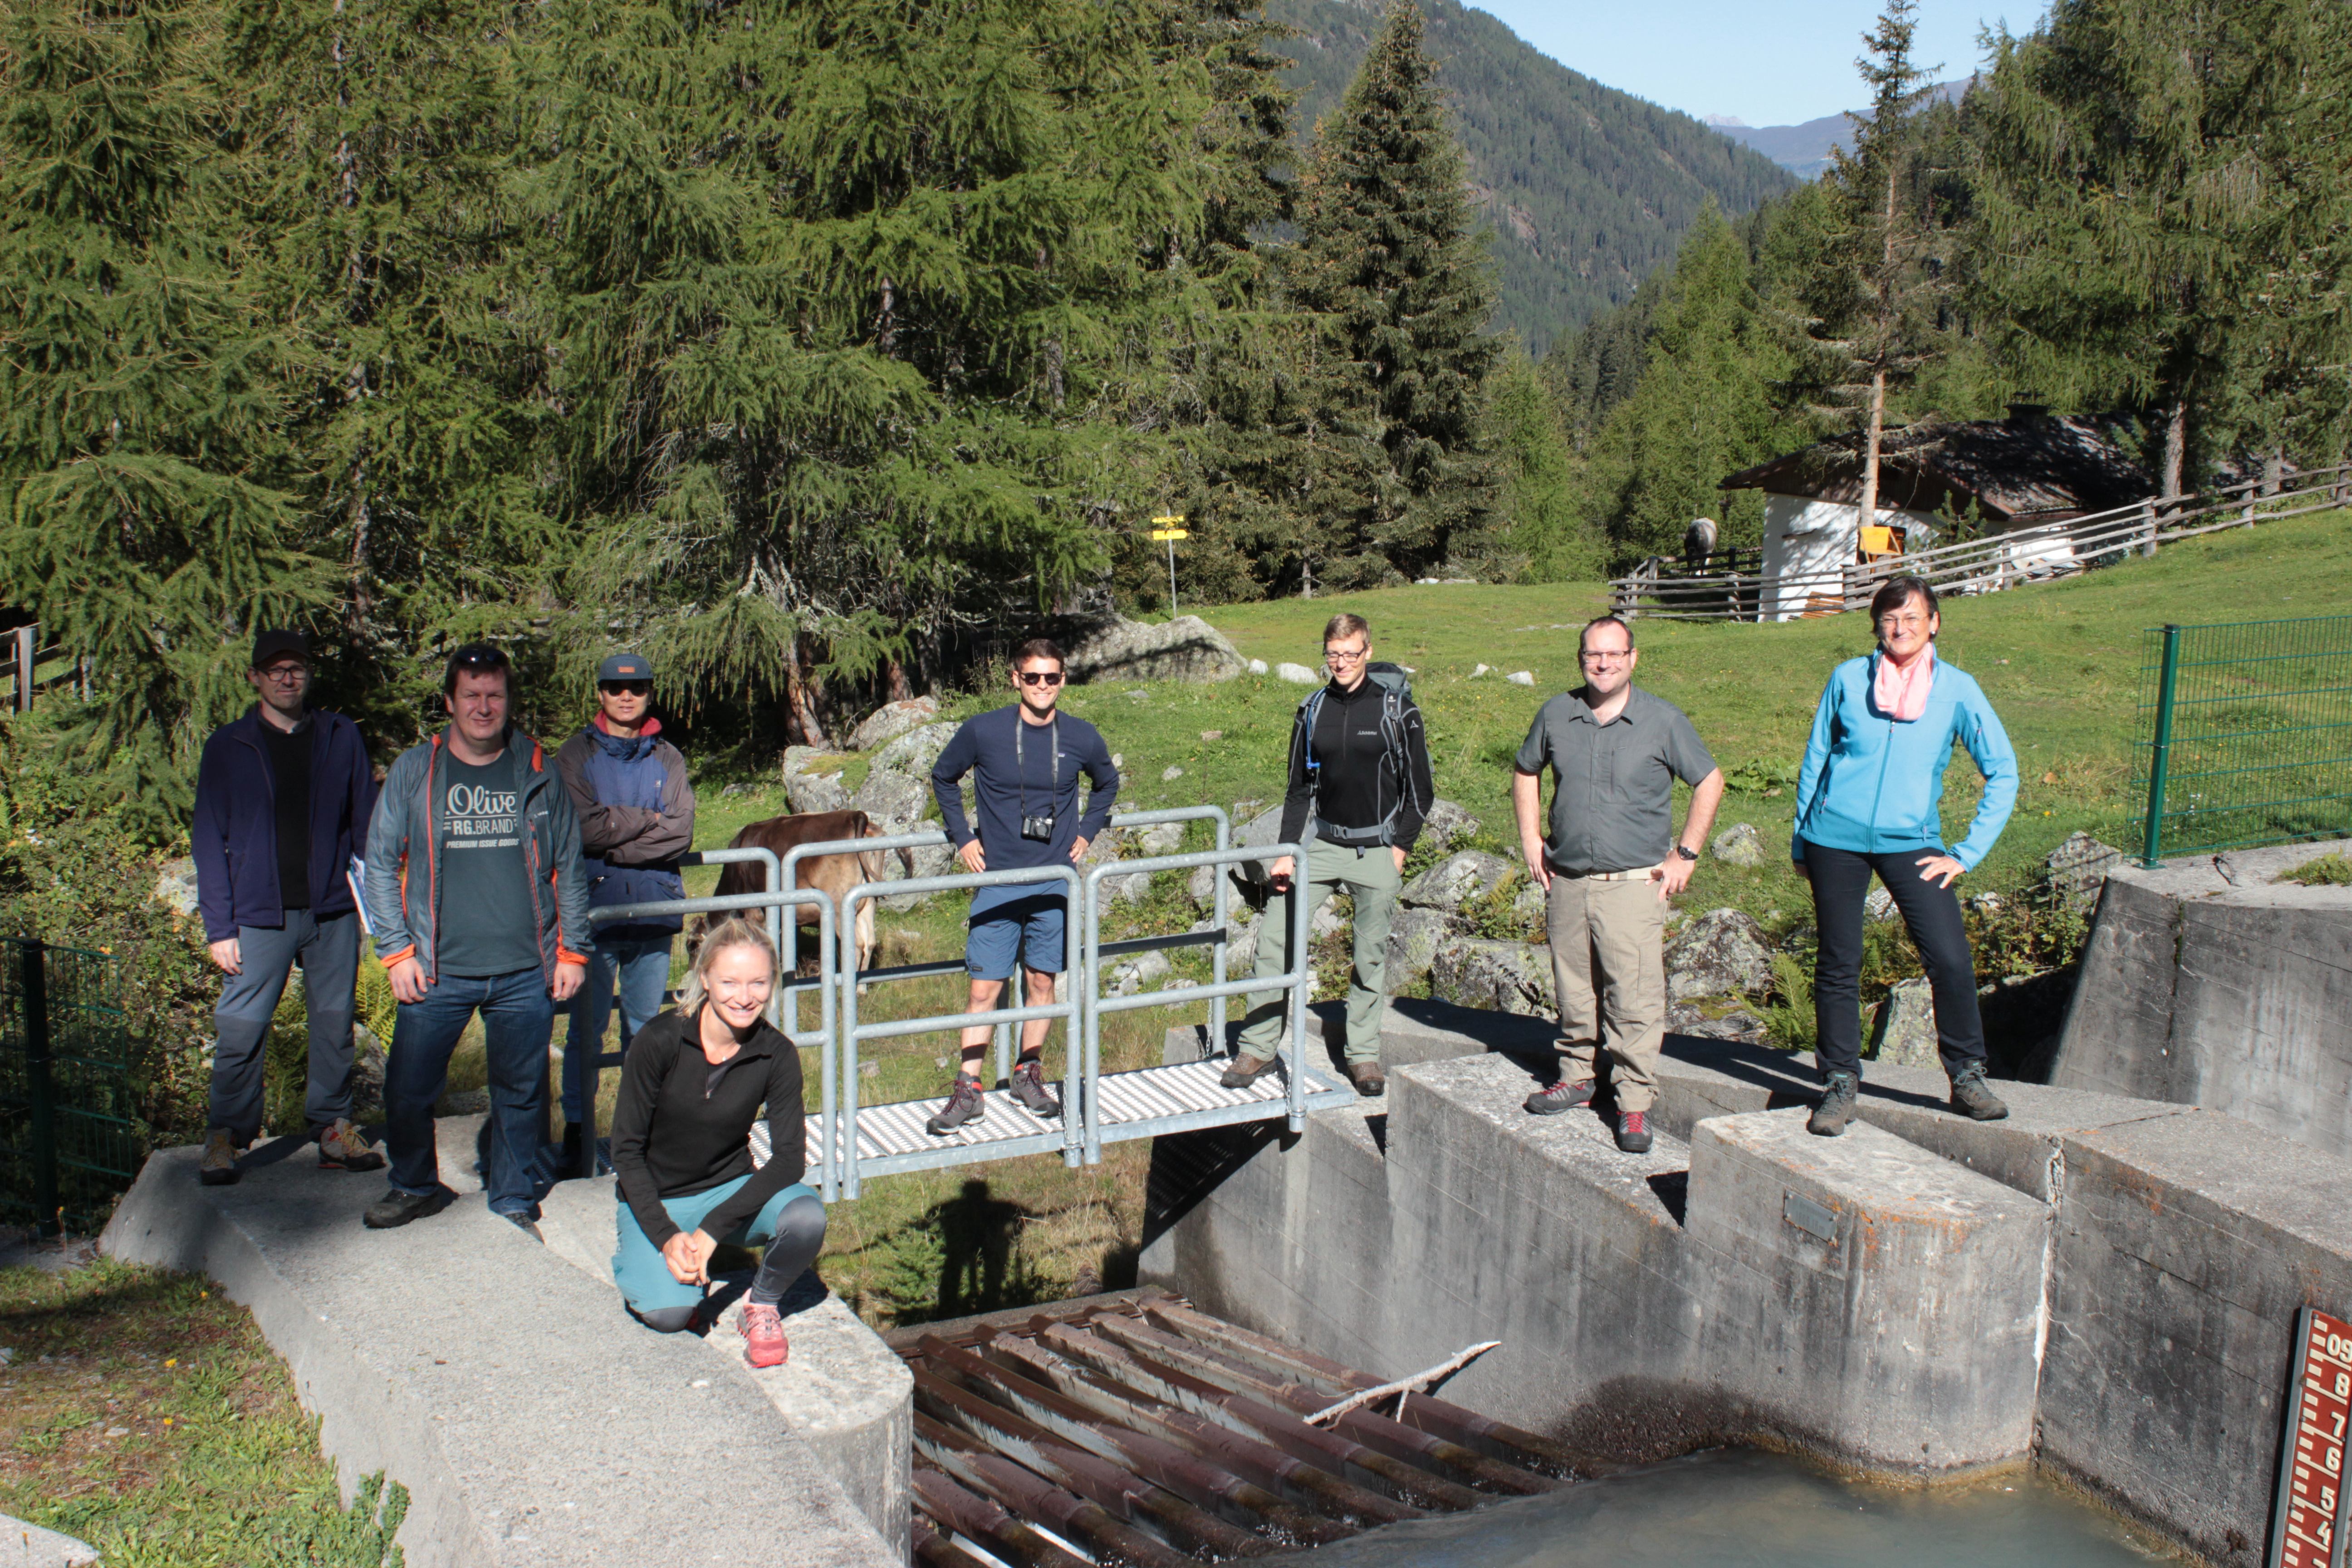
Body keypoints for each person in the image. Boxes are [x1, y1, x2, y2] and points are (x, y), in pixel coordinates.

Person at [361, 643, 592, 1232]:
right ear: (450, 701)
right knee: (409, 1090)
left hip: (525, 970)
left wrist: (571, 951)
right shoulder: (417, 771)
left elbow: (568, 864)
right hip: (437, 970)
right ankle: (414, 1185)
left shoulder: (537, 771)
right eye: (472, 695)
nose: (483, 707)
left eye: (494, 695)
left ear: (508, 701)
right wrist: (396, 951)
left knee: (520, 1093)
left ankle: (513, 1199)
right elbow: (381, 861)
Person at [1793, 574, 2018, 1137]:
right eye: (1890, 620)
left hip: (1914, 842)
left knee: (1948, 956)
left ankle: (1966, 1075)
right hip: (1834, 839)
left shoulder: (1959, 690)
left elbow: (2004, 772)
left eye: (1912, 618)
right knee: (1838, 963)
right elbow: (1816, 757)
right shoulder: (1848, 678)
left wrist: (1965, 854)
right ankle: (1840, 1082)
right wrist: (1802, 837)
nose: (1900, 629)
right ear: (1877, 625)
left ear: (1934, 622)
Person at [1513, 615, 1725, 1153]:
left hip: (1633, 884)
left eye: (1613, 654)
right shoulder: (1558, 714)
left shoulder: (1662, 721)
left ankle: (1633, 1105)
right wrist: (1531, 839)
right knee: (1574, 989)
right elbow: (1525, 771)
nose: (1602, 663)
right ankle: (1577, 1078)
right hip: (1569, 881)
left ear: (1633, 658)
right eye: (1592, 655)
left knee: (1634, 997)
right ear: (1581, 659)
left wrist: (1687, 853)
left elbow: (1709, 780)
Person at [190, 629, 384, 1185]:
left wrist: (381, 906)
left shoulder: (340, 735)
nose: (286, 678)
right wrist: (219, 926)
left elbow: (364, 824)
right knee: (241, 1027)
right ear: (255, 677)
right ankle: (225, 1137)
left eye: (296, 667)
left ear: (308, 675)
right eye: (274, 669)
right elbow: (209, 837)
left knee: (334, 1026)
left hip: (331, 912)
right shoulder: (229, 746)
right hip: (257, 917)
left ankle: (332, 1128)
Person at [1226, 612, 1434, 1098]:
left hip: (1377, 849)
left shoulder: (1397, 711)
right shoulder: (1312, 709)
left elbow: (1420, 792)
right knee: (1274, 940)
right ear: (1326, 654)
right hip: (1320, 845)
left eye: (1351, 653)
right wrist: (1286, 852)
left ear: (1367, 651)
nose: (1342, 662)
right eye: (1333, 654)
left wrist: (1399, 850)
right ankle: (1256, 1046)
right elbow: (1298, 791)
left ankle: (1363, 1057)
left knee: (1370, 956)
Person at [924, 638, 1120, 1135]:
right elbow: (943, 777)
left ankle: (1028, 1072)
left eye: (1052, 677)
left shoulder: (1080, 735)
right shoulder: (984, 730)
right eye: (1032, 677)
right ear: (1015, 679)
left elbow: (1107, 784)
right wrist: (963, 838)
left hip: (1053, 880)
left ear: (1063, 680)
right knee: (985, 986)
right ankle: (968, 1089)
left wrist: (1086, 832)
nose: (1042, 687)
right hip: (999, 879)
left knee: (1041, 983)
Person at [609, 917, 825, 1367]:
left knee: (806, 1215)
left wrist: (710, 1231)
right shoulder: (659, 1041)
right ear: (704, 977)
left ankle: (762, 1304)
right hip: (658, 1197)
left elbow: (789, 1160)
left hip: (727, 1190)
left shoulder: (777, 1054)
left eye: (758, 983)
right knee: (671, 1315)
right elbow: (625, 1150)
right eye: (729, 981)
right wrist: (668, 1236)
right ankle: (645, 1259)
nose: (744, 997)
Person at [554, 652, 695, 1175]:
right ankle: (577, 1131)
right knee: (585, 1033)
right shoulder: (574, 755)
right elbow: (582, 829)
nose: (625, 696)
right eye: (615, 687)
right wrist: (646, 824)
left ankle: (642, 1135)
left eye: (635, 688)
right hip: (592, 913)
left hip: (654, 911)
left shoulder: (669, 759)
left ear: (650, 693)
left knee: (648, 1030)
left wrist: (616, 835)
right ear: (600, 693)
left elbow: (680, 831)